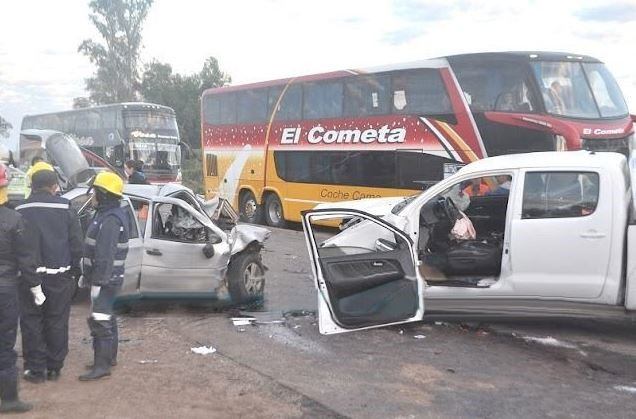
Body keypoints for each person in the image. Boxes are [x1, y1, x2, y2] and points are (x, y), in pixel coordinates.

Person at [15, 164, 83, 383]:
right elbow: (76, 245)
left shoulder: (19, 210)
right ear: (54, 186)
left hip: (28, 277)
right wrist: (73, 271)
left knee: (31, 322)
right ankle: (54, 368)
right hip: (59, 276)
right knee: (57, 320)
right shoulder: (66, 208)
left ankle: (35, 370)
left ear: (32, 186)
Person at [79, 172, 129, 381]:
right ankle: (109, 358)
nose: (92, 196)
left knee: (100, 320)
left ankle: (102, 366)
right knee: (107, 317)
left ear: (103, 194)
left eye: (95, 192)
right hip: (105, 278)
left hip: (106, 279)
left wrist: (98, 281)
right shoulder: (104, 214)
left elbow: (105, 255)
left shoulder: (110, 219)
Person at [0, 163, 40, 413]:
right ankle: (9, 399)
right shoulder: (15, 219)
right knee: (4, 345)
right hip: (5, 290)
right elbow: (26, 260)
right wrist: (35, 286)